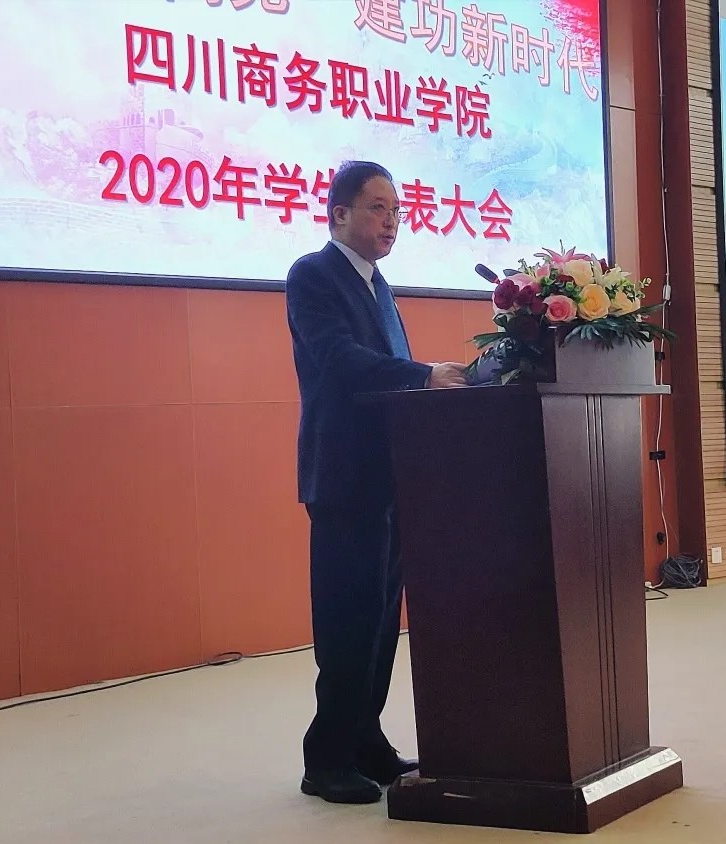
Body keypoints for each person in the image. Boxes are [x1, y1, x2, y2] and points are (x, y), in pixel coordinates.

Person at [285, 160, 468, 804]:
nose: (392, 221)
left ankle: (366, 742)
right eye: (377, 207)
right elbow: (340, 361)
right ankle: (326, 758)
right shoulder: (312, 275)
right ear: (339, 213)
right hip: (343, 476)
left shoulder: (378, 284)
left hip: (391, 476)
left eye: (397, 210)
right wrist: (423, 375)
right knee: (346, 623)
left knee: (381, 623)